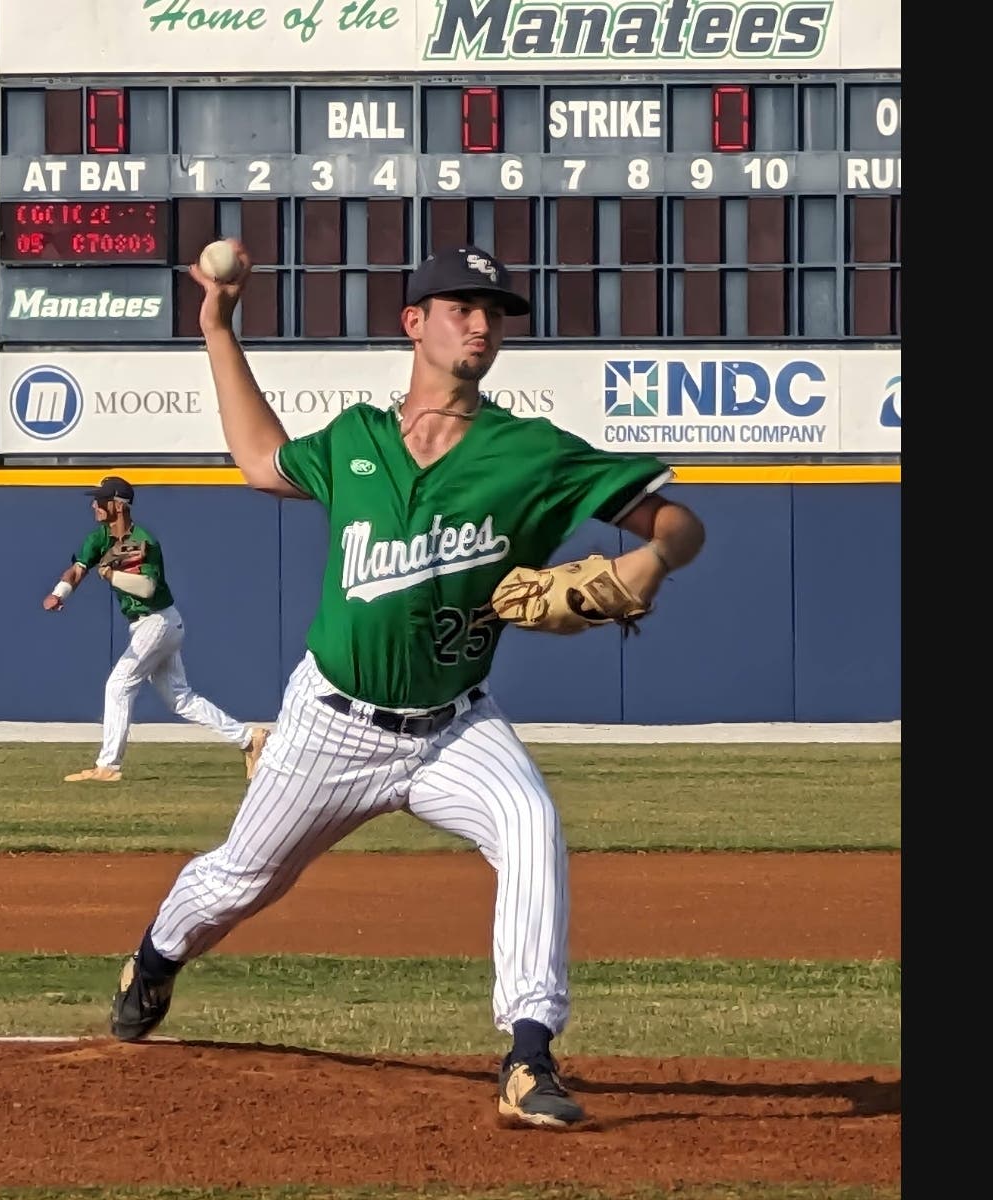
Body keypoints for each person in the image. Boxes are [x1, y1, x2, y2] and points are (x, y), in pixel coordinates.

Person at [107, 244, 706, 1130]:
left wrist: (652, 560)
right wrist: (217, 324)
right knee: (240, 881)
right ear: (414, 324)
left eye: (493, 311)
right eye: (461, 307)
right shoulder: (356, 440)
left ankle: (529, 1054)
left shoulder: (533, 453)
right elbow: (261, 460)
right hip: (330, 722)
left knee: (531, 823)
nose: (481, 323)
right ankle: (156, 960)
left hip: (455, 726)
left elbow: (680, 522)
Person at [42, 474, 269, 783]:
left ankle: (108, 765)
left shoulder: (144, 540)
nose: (95, 505)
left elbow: (147, 589)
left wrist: (110, 576)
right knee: (180, 698)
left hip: (158, 620)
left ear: (118, 506)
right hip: (151, 625)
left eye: (101, 500)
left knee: (119, 685)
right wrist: (59, 593)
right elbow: (77, 570)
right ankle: (249, 739)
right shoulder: (99, 538)